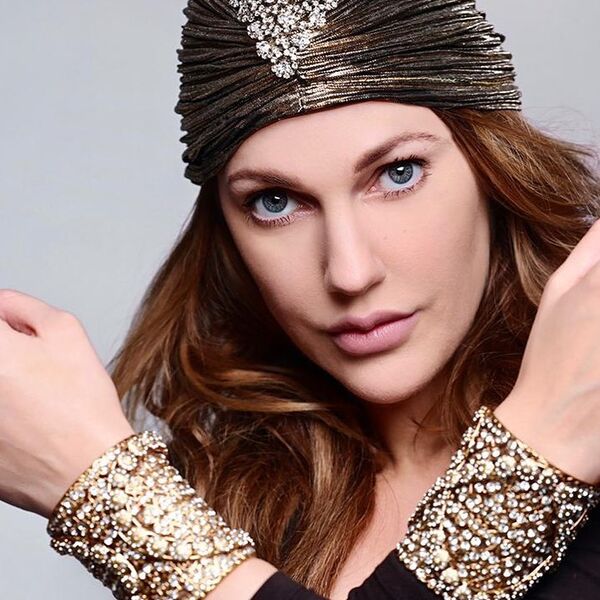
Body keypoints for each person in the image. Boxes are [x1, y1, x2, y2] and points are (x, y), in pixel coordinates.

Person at [1, 1, 600, 599]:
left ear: (493, 170)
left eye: (398, 173)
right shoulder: (226, 487)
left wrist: (110, 498)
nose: (350, 272)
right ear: (228, 234)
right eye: (276, 202)